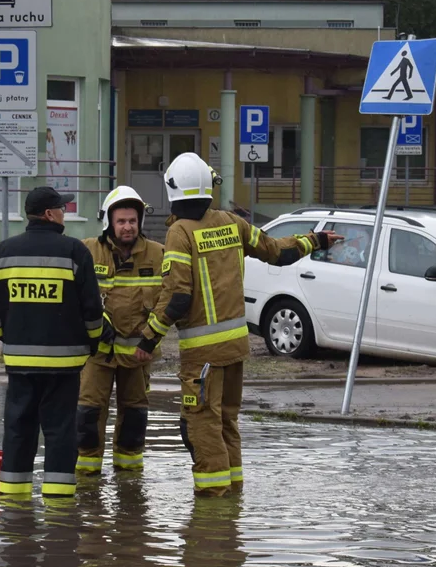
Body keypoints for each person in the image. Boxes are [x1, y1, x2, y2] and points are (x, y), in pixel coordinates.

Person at [134, 152, 339, 498]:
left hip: (202, 355)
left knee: (201, 423)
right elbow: (278, 252)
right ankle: (234, 499)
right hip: (235, 349)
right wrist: (314, 240)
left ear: (172, 190)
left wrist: (148, 340)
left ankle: (213, 514)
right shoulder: (232, 223)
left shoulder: (179, 233)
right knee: (227, 421)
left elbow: (177, 297)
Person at [0, 186, 108, 499]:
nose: (65, 214)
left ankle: (13, 501)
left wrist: (7, 337)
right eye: (62, 209)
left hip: (19, 364)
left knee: (17, 429)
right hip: (64, 366)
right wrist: (95, 343)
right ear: (50, 213)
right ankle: (59, 504)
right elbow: (92, 310)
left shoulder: (3, 252)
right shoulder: (74, 251)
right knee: (61, 431)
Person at [76, 186, 165, 477]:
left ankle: (130, 483)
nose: (127, 227)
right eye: (121, 221)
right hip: (97, 355)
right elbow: (70, 293)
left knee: (135, 418)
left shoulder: (157, 254)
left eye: (132, 221)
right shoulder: (87, 250)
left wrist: (151, 341)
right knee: (88, 414)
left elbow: (170, 300)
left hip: (139, 356)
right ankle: (87, 481)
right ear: (109, 223)